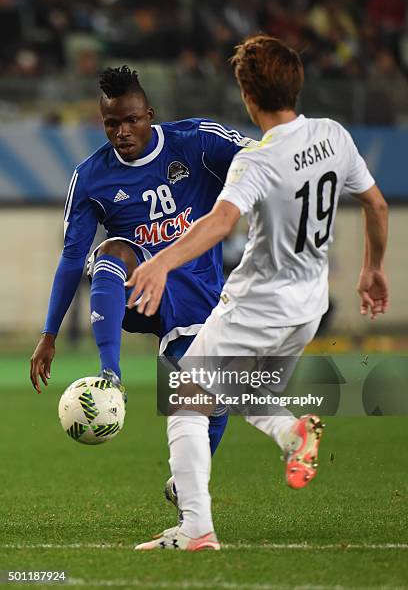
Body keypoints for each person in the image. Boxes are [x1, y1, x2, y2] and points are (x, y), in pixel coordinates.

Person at [126, 35, 389, 550]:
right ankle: (293, 434)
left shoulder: (259, 160)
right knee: (239, 390)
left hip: (260, 305)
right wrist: (372, 268)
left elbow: (220, 222)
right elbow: (377, 205)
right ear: (297, 83)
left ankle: (196, 528)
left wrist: (160, 260)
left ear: (247, 95)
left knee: (185, 399)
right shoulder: (334, 136)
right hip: (310, 306)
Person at [29, 65, 256, 481]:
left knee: (205, 397)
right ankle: (110, 376)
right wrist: (49, 335)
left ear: (149, 114)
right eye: (111, 124)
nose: (122, 132)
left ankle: (187, 482)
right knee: (110, 253)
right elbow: (70, 259)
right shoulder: (91, 178)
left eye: (131, 120)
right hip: (137, 292)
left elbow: (260, 161)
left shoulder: (197, 142)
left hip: (196, 294)